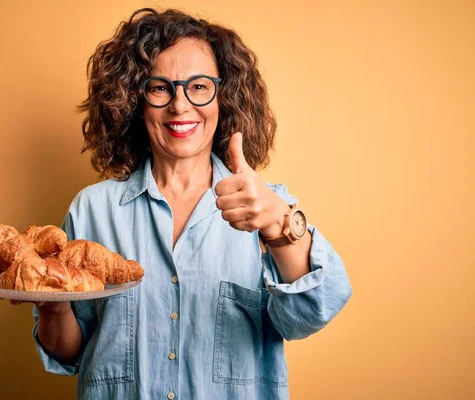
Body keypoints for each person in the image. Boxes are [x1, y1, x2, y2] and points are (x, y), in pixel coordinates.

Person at [24, 7, 352, 400]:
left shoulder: (264, 206)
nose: (180, 106)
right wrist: (51, 304)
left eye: (199, 86)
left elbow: (311, 315)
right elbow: (69, 354)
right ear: (134, 100)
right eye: (161, 87)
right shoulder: (92, 210)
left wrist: (281, 224)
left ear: (223, 97)